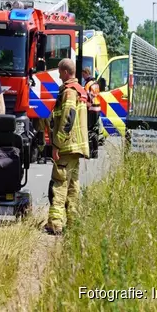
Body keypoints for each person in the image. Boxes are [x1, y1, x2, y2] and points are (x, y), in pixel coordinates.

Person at [46, 58, 89, 236]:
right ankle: (73, 222)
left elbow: (67, 118)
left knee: (59, 183)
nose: (58, 75)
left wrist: (56, 143)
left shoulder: (69, 92)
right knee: (73, 186)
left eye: (59, 72)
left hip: (66, 147)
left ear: (65, 72)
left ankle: (55, 224)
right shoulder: (80, 91)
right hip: (77, 148)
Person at [81, 67, 102, 157]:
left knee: (89, 130)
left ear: (86, 73)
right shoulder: (96, 83)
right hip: (97, 108)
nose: (83, 76)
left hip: (91, 109)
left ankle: (89, 152)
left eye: (83, 74)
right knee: (95, 130)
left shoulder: (88, 84)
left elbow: (85, 96)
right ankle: (95, 153)